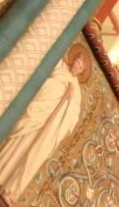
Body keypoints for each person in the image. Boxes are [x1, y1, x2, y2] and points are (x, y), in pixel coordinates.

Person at [0, 44, 89, 196]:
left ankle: (9, 187)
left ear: (81, 72)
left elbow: (72, 120)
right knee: (14, 142)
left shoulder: (77, 92)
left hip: (45, 128)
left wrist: (70, 98)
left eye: (80, 67)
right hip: (34, 114)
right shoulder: (60, 67)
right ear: (73, 60)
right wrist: (59, 87)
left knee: (28, 153)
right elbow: (43, 80)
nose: (76, 66)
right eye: (77, 62)